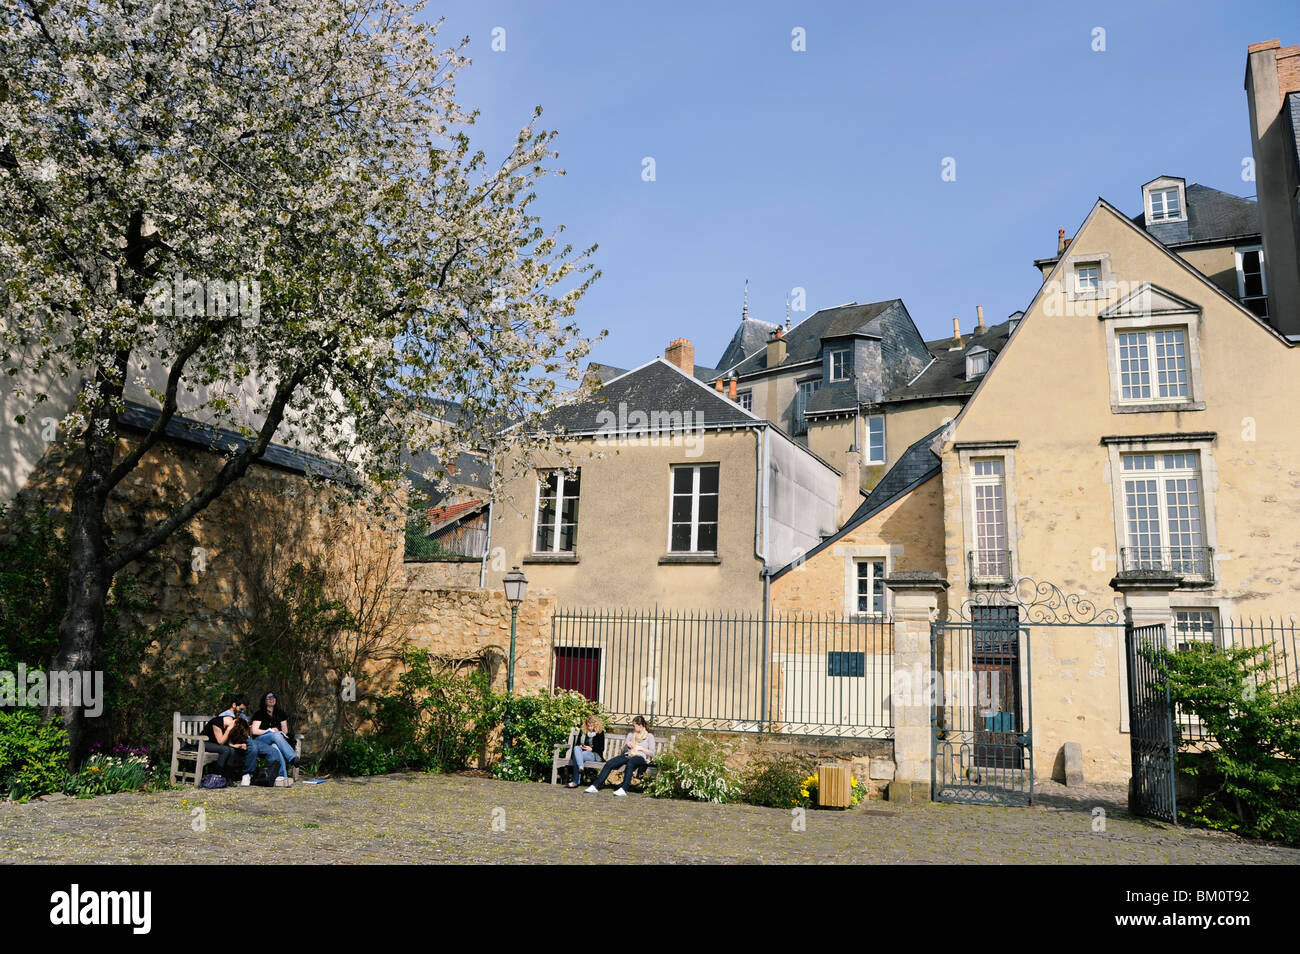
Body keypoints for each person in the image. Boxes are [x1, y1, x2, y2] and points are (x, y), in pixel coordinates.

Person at [585, 715, 655, 797]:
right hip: (628, 755)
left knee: (630, 763)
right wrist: (627, 746)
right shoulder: (630, 735)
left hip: (640, 757)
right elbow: (623, 751)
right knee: (610, 763)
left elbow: (652, 753)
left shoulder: (649, 736)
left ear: (640, 726)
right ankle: (595, 786)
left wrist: (641, 748)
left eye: (634, 726)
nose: (633, 727)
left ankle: (623, 789)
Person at [250, 690, 298, 772]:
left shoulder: (280, 713)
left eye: (273, 697)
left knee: (275, 747)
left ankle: (282, 776)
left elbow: (285, 731)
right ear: (264, 701)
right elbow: (254, 731)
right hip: (260, 740)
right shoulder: (259, 713)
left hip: (276, 740)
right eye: (269, 698)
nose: (271, 699)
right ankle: (292, 757)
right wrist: (270, 731)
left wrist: (278, 735)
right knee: (275, 734)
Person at [201, 696, 249, 777]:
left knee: (232, 751)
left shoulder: (232, 720)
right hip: (204, 743)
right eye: (241, 709)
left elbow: (228, 742)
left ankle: (227, 778)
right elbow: (221, 741)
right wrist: (228, 729)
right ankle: (215, 776)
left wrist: (237, 745)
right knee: (226, 750)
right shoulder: (217, 722)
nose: (242, 712)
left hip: (216, 745)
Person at [567, 715, 606, 789]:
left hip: (594, 754)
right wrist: (581, 746)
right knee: (576, 748)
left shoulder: (600, 733)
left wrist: (591, 749)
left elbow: (601, 748)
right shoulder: (583, 732)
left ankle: (576, 782)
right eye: (588, 726)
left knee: (578, 755)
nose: (590, 728)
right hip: (582, 752)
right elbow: (578, 743)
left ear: (596, 725)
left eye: (592, 726)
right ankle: (581, 767)